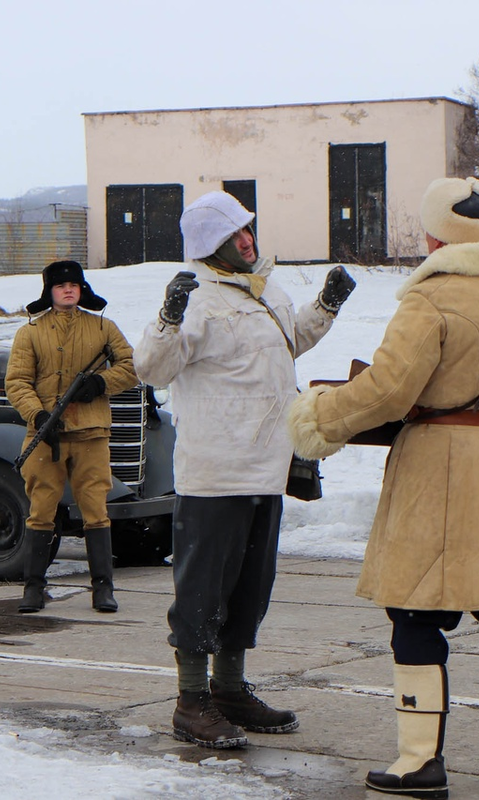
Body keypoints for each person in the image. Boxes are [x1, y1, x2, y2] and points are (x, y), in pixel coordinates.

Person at [288, 177, 479, 798]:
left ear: (437, 234)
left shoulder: (430, 298)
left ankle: (420, 761)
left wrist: (320, 414)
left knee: (415, 608)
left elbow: (389, 389)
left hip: (441, 462)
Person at [134, 191, 355, 750]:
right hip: (216, 473)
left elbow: (287, 345)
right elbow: (152, 369)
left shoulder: (265, 291)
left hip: (267, 468)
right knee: (203, 592)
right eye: (237, 234)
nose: (248, 239)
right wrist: (167, 318)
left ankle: (229, 689)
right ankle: (191, 702)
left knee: (250, 589)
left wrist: (324, 308)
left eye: (248, 229)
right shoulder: (201, 301)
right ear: (213, 245)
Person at [5, 260, 137, 614]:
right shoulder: (30, 332)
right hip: (45, 434)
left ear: (82, 289)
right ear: (49, 291)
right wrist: (38, 413)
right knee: (41, 511)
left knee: (95, 511)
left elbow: (130, 366)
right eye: (61, 285)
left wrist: (100, 383)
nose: (68, 290)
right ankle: (33, 587)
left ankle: (103, 589)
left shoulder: (103, 327)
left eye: (74, 285)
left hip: (91, 433)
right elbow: (17, 382)